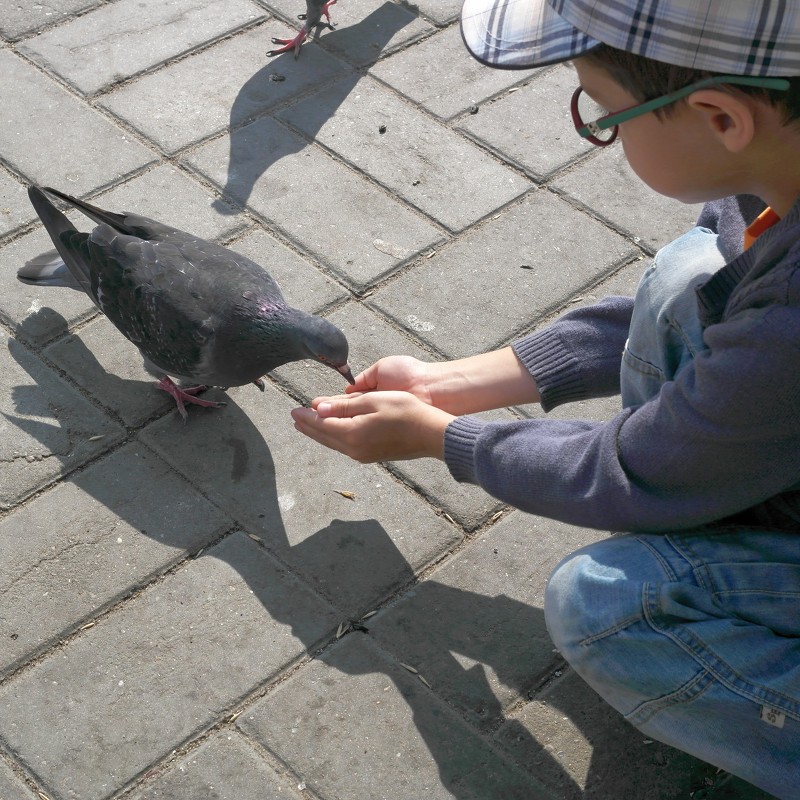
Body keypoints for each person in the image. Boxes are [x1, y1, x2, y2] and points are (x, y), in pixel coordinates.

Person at [291, 1, 800, 795]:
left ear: (721, 118)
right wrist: (459, 381)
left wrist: (445, 439)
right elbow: (731, 287)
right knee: (691, 273)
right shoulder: (782, 179)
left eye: (603, 114)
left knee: (609, 608)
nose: (603, 130)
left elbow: (632, 469)